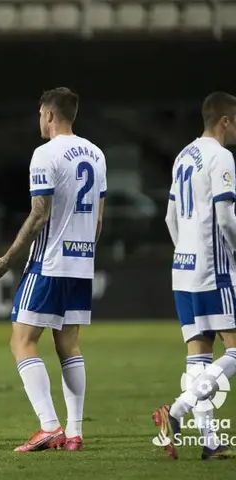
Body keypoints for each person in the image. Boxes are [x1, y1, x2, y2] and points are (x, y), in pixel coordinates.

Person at [0, 88, 106, 453]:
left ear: (49, 114)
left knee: (21, 339)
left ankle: (49, 427)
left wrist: (8, 258)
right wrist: (84, 256)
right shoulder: (96, 154)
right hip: (81, 262)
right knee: (68, 343)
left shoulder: (45, 154)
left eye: (39, 114)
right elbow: (98, 219)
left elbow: (39, 213)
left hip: (48, 261)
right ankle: (76, 432)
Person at [153, 92, 236, 461]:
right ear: (225, 121)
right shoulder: (221, 157)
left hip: (183, 268)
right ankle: (177, 410)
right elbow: (225, 216)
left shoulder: (184, 155)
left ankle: (210, 441)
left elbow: (170, 218)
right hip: (213, 271)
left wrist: (185, 248)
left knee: (199, 356)